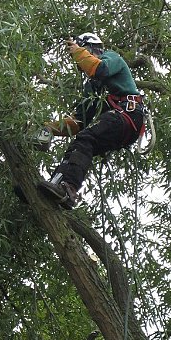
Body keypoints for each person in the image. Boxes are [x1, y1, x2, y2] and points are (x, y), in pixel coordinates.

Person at [38, 32, 144, 209]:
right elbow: (79, 123)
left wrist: (78, 52)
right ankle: (57, 186)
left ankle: (69, 188)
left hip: (128, 114)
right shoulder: (93, 86)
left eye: (84, 53)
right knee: (79, 144)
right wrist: (49, 128)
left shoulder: (111, 58)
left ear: (92, 49)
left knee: (87, 138)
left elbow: (99, 68)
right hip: (117, 124)